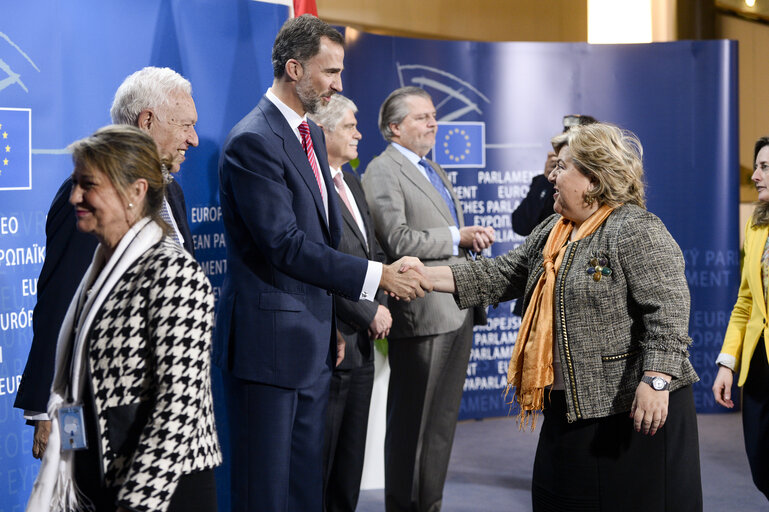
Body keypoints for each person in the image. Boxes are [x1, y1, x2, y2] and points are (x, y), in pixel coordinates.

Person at [403, 123, 702, 511]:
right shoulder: (553, 230)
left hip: (632, 410)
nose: (551, 176)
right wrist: (425, 276)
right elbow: (498, 274)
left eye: (561, 167)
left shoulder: (635, 228)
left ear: (593, 179)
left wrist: (657, 380)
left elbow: (670, 311)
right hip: (570, 409)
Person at [214, 15, 430, 512]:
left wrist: (331, 319)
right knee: (265, 494)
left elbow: (321, 238)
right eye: (329, 72)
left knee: (305, 493)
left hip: (312, 343)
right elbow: (284, 245)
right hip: (267, 351)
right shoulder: (254, 140)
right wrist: (377, 276)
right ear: (294, 69)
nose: (339, 84)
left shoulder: (307, 133)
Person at [26, 125, 221, 512]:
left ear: (136, 192)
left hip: (162, 491)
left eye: (88, 185)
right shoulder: (98, 271)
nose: (74, 197)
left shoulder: (174, 274)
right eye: (75, 183)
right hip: (100, 480)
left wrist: (135, 506)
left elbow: (176, 411)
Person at [15, 66, 199, 460]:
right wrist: (48, 411)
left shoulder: (173, 194)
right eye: (185, 126)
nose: (193, 139)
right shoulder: (92, 196)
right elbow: (61, 302)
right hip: (103, 407)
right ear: (147, 120)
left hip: (168, 408)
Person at [361, 86, 494, 512]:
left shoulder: (431, 168)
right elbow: (398, 239)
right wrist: (457, 236)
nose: (433, 122)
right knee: (411, 426)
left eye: (433, 115)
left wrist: (463, 245)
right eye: (422, 117)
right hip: (421, 314)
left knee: (439, 426)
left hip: (457, 311)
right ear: (394, 128)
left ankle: (429, 505)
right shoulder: (382, 171)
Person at [309, 93, 391, 512]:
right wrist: (366, 310)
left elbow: (371, 250)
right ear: (322, 132)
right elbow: (320, 264)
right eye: (350, 126)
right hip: (334, 338)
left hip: (362, 345)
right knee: (322, 462)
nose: (360, 133)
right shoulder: (311, 187)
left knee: (349, 462)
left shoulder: (351, 179)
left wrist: (379, 304)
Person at [713, 135, 769, 501]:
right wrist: (727, 364)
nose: (756, 175)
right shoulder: (755, 226)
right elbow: (745, 302)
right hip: (760, 370)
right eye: (757, 166)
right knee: (762, 466)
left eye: (765, 168)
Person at [512, 114, 597, 237]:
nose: (553, 177)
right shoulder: (545, 181)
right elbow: (521, 226)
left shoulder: (618, 221)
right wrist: (545, 180)